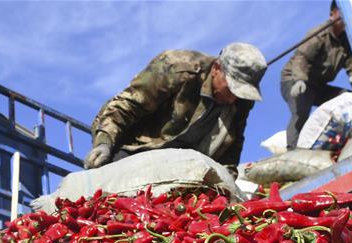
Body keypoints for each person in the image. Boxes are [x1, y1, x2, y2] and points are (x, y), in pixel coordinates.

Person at [84, 42, 266, 177]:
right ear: (217, 69)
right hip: (134, 144)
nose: (234, 98)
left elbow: (232, 147)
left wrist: (226, 180)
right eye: (232, 88)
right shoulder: (178, 68)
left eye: (240, 93)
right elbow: (127, 105)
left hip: (180, 163)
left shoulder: (241, 101)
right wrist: (104, 142)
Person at [280, 0, 352, 148]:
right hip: (294, 79)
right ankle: (293, 150)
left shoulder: (345, 40)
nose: (344, 15)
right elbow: (302, 57)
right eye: (341, 11)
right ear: (332, 14)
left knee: (347, 97)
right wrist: (299, 79)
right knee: (301, 112)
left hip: (317, 85)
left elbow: (350, 60)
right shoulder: (319, 34)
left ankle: (345, 136)